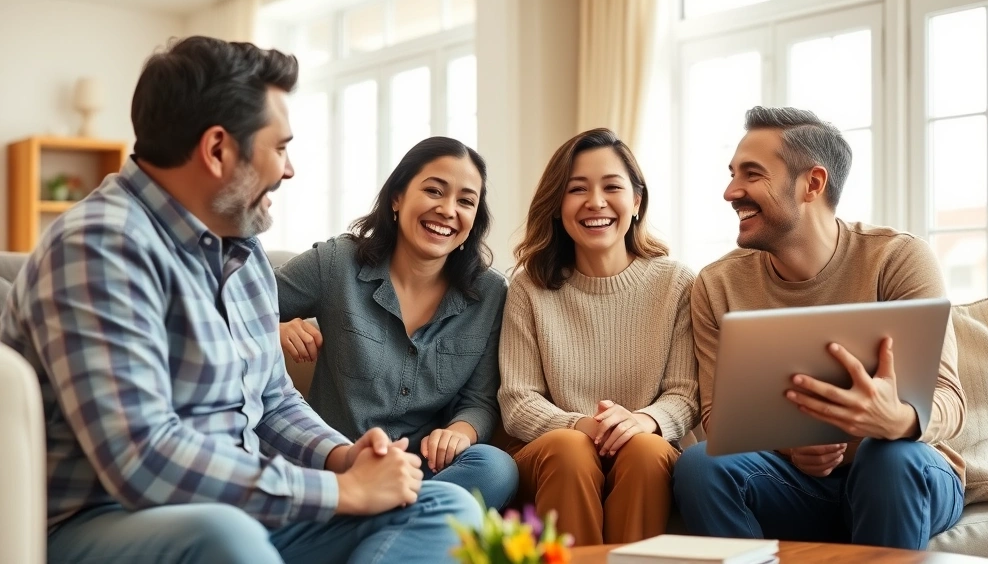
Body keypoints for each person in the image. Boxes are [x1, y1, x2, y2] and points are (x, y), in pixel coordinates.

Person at [0, 36, 480, 564]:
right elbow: (142, 457)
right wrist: (339, 491)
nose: (289, 169)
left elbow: (273, 399)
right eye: (280, 148)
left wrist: (342, 458)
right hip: (106, 520)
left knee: (447, 508)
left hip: (243, 508)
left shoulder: (243, 247)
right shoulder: (99, 248)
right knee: (227, 538)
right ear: (217, 150)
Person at [672, 106, 965, 550]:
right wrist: (790, 448)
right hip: (796, 485)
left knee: (887, 456)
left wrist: (897, 419)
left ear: (812, 183)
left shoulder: (897, 258)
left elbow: (950, 400)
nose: (731, 191)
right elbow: (720, 419)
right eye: (733, 174)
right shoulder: (717, 284)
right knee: (700, 465)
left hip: (904, 472)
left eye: (752, 174)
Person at [275, 136, 518, 510]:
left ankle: (379, 516)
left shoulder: (490, 293)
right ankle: (397, 517)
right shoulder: (338, 262)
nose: (448, 210)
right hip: (337, 467)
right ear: (396, 197)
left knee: (496, 468)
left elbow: (479, 401)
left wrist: (460, 431)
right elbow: (234, 305)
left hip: (422, 471)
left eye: (466, 201)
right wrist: (273, 328)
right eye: (434, 191)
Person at [498, 128, 700, 546]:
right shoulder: (528, 287)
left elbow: (684, 395)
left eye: (612, 187)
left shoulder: (676, 283)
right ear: (557, 206)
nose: (595, 202)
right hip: (557, 452)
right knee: (572, 449)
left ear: (637, 201)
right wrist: (584, 426)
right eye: (577, 189)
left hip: (646, 445)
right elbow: (518, 400)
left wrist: (643, 421)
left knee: (644, 449)